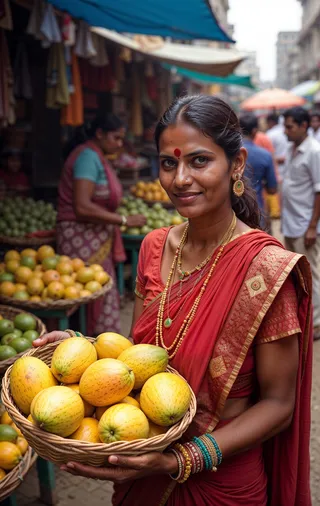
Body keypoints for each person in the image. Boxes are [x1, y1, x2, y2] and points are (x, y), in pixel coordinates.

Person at [35, 96, 312, 506]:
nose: (180, 178)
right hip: (141, 460)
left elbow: (278, 405)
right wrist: (81, 349)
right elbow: (137, 360)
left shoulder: (265, 270)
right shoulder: (154, 246)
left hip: (221, 481)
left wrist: (182, 459)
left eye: (199, 161)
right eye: (168, 163)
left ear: (236, 164)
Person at [57, 113, 146, 335]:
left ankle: (91, 341)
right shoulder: (87, 157)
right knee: (82, 293)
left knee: (96, 290)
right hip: (80, 238)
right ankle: (83, 341)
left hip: (96, 237)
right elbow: (82, 206)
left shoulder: (97, 156)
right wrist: (124, 220)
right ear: (99, 134)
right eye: (116, 138)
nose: (119, 144)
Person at [282, 106, 320, 339]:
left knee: (311, 274)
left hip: (305, 225)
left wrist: (312, 226)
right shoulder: (291, 148)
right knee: (296, 275)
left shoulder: (314, 151)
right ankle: (304, 316)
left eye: (290, 127)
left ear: (304, 126)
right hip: (290, 222)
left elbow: (319, 191)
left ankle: (316, 322)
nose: (285, 131)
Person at [239, 113, 277, 216]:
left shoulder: (227, 152)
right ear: (255, 131)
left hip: (231, 211)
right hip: (256, 210)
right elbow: (272, 189)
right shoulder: (265, 155)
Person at [266, 113, 289, 181]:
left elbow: (267, 155)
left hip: (276, 171)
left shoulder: (270, 134)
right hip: (286, 170)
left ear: (271, 122)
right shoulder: (286, 131)